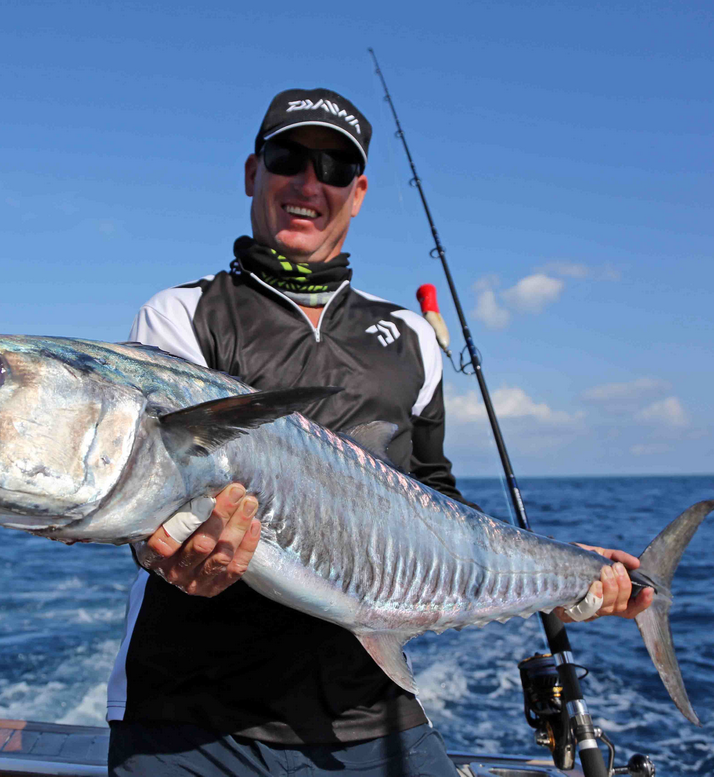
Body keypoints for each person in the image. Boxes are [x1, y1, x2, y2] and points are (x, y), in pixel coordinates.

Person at [106, 88, 653, 776]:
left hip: (370, 716)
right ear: (253, 172)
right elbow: (151, 493)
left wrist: (562, 573)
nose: (309, 184)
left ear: (357, 193)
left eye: (334, 168)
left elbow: (437, 498)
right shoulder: (180, 316)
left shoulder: (413, 338)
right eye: (288, 158)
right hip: (190, 719)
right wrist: (160, 549)